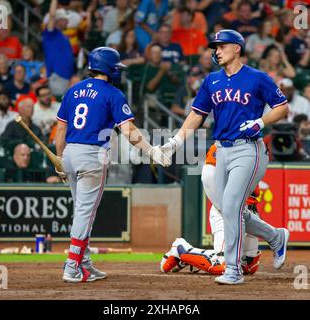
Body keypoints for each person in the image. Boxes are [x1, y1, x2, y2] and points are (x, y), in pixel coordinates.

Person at [160, 29, 290, 285]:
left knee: (231, 205)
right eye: (215, 46)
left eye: (222, 46)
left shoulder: (256, 77)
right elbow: (197, 115)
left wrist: (260, 122)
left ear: (238, 47)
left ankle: (233, 270)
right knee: (229, 210)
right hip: (221, 149)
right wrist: (175, 141)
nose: (216, 50)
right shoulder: (212, 80)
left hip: (248, 147)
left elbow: (282, 107)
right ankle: (275, 237)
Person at [55, 47, 170, 283]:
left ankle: (84, 262)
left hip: (69, 153)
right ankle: (71, 266)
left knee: (81, 210)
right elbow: (128, 130)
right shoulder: (113, 93)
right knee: (85, 214)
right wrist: (151, 151)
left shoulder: (73, 90)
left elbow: (60, 129)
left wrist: (59, 159)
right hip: (91, 155)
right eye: (116, 68)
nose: (118, 72)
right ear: (108, 68)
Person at [161, 143, 262, 276]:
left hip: (248, 210)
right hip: (227, 210)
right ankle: (181, 249)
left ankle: (194, 257)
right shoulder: (228, 142)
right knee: (224, 265)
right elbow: (210, 176)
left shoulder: (253, 146)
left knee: (248, 265)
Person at [42, 0, 75, 96]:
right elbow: (52, 15)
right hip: (57, 75)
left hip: (67, 76)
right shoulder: (50, 34)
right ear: (58, 20)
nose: (67, 21)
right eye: (65, 19)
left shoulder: (63, 36)